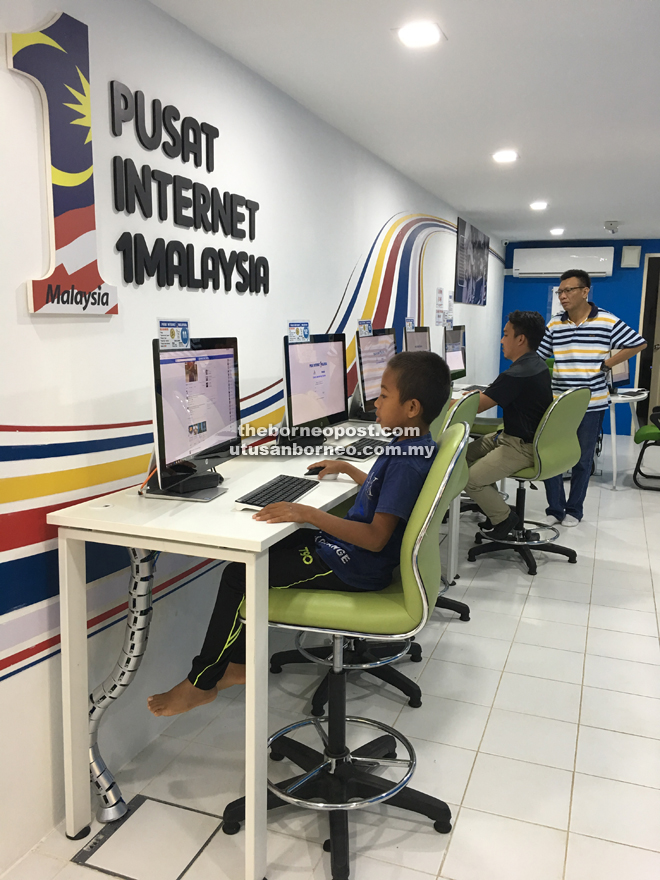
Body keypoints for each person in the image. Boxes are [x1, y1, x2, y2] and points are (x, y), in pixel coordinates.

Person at [148, 350, 450, 716]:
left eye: (384, 395)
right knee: (271, 549)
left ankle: (202, 683)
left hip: (354, 565)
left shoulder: (405, 461)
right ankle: (237, 665)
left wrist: (309, 514)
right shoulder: (412, 446)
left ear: (412, 408)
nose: (376, 401)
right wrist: (349, 469)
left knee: (238, 575)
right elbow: (383, 493)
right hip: (349, 552)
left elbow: (375, 537)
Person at [537, 270, 646, 525]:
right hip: (558, 402)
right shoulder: (555, 324)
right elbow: (539, 357)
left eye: (568, 290)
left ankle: (574, 510)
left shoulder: (606, 321)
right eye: (560, 291)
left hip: (591, 402)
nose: (563, 296)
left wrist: (607, 363)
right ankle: (555, 509)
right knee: (550, 454)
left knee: (582, 459)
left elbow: (638, 343)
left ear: (585, 291)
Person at [462, 311, 553, 540]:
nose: (502, 340)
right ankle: (496, 509)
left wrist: (439, 400)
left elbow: (478, 406)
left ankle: (504, 518)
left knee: (470, 479)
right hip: (513, 436)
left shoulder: (517, 373)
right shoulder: (536, 364)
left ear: (520, 339)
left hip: (521, 447)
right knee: (459, 457)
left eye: (505, 335)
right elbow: (494, 393)